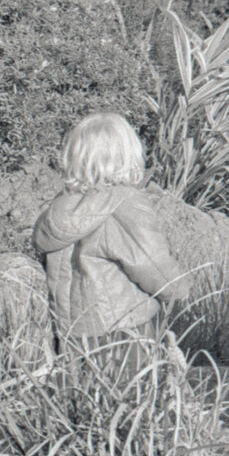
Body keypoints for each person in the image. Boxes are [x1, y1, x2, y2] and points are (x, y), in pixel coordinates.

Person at [34, 112, 188, 344]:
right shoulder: (125, 203)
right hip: (123, 326)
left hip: (71, 331)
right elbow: (151, 262)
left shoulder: (59, 205)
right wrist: (181, 291)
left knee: (81, 382)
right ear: (128, 154)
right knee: (134, 381)